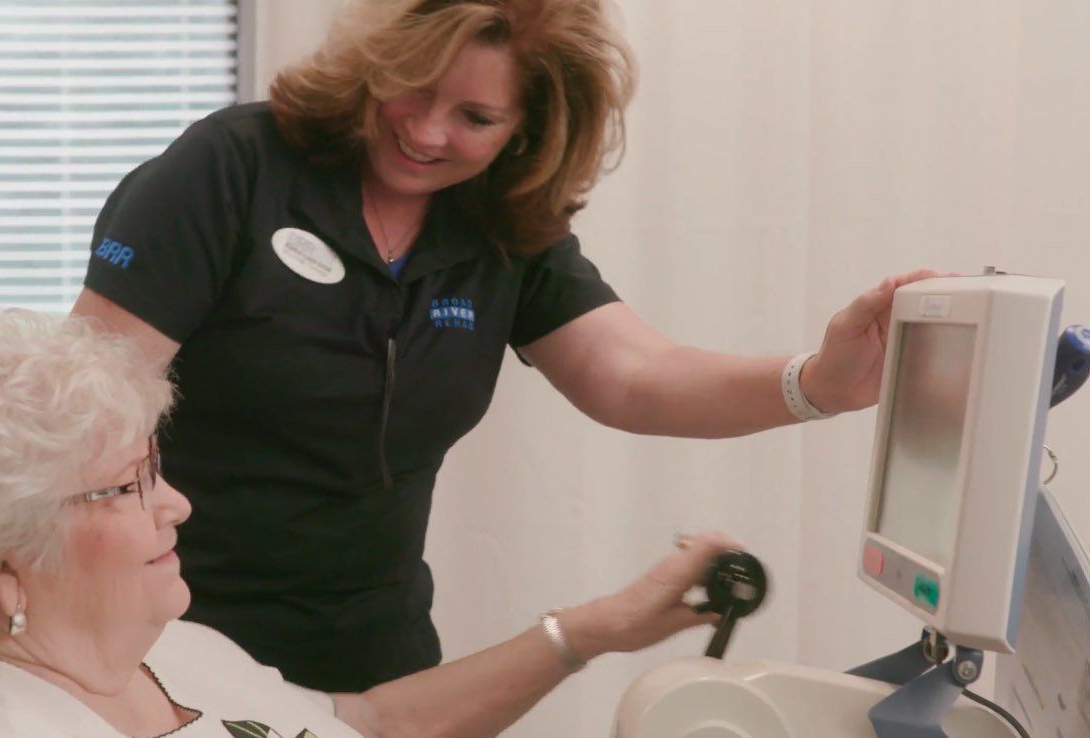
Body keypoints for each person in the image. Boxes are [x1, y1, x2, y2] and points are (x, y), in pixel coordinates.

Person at [71, 0, 935, 691]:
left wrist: (815, 382)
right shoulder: (236, 166)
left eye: (475, 117)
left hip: (372, 638)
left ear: (525, 132)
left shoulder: (499, 227)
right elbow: (90, 402)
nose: (426, 130)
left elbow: (632, 377)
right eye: (411, 88)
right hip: (168, 616)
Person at [0, 309, 735, 738]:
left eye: (155, 471)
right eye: (127, 487)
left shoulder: (152, 648)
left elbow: (364, 723)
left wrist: (587, 631)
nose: (176, 504)